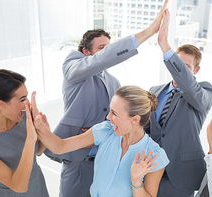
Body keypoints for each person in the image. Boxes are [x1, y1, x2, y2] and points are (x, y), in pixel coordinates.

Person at [43, 1, 169, 196]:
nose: (109, 54)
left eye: (110, 48)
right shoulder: (73, 67)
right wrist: (147, 33)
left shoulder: (114, 82)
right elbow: (61, 145)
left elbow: (123, 114)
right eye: (102, 48)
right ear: (86, 52)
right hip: (78, 159)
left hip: (104, 156)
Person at [34, 85, 169, 197]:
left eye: (114, 113)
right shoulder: (105, 130)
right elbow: (60, 147)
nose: (108, 116)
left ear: (135, 119)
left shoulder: (155, 155)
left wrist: (136, 181)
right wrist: (41, 128)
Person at [144, 10, 212, 197]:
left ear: (196, 70)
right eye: (178, 65)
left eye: (185, 67)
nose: (178, 72)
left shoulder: (204, 91)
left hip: (181, 176)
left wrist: (164, 44)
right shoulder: (155, 89)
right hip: (150, 169)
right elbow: (147, 128)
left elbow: (190, 87)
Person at [0, 69, 49, 197]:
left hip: (38, 187)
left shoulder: (24, 117)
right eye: (22, 99)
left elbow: (37, 152)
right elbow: (19, 185)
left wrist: (44, 134)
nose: (27, 104)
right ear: (0, 104)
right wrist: (30, 139)